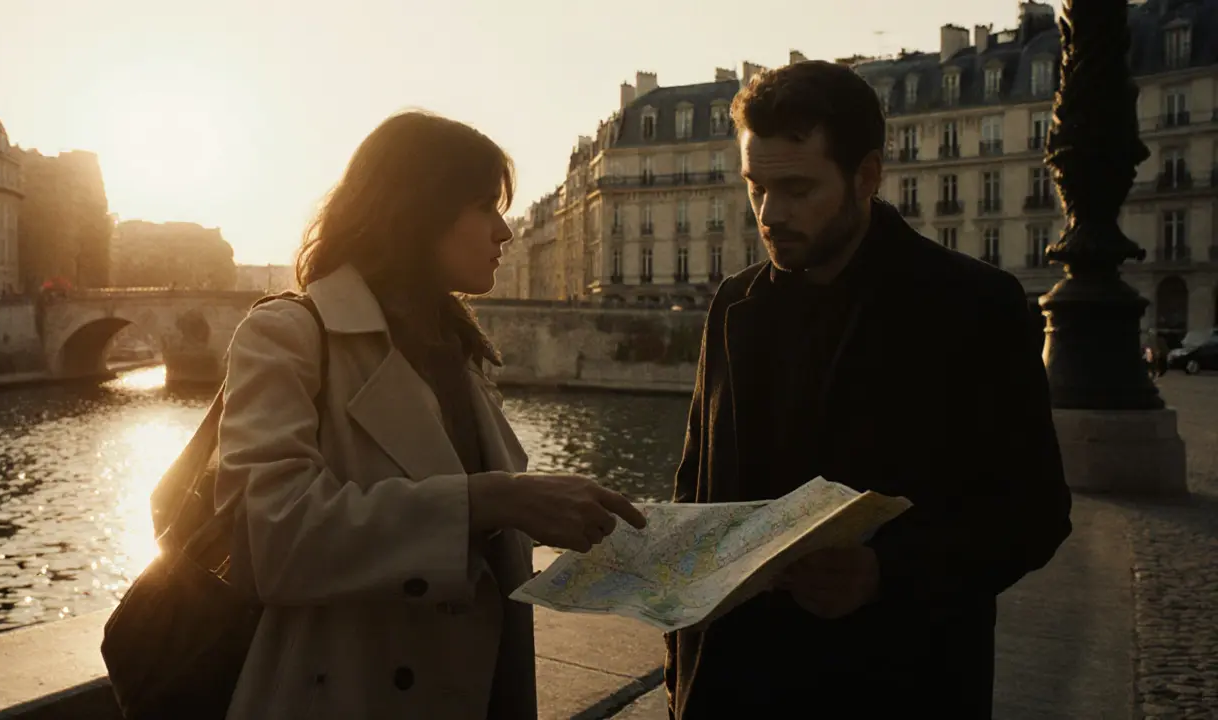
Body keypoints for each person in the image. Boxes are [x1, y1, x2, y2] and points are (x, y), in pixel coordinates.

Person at [665, 61, 1073, 718]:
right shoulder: (734, 303)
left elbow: (1035, 514)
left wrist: (887, 572)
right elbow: (694, 489)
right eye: (755, 187)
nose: (770, 215)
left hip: (893, 681)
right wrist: (677, 665)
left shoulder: (973, 306)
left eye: (797, 189)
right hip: (734, 685)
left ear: (868, 176)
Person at [215, 110, 647, 720]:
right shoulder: (287, 334)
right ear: (416, 212)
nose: (505, 232)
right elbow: (273, 540)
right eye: (484, 208)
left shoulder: (459, 352)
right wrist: (495, 500)